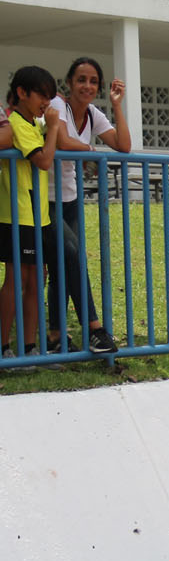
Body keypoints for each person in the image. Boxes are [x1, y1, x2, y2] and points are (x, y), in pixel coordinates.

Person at [48, 56, 128, 355]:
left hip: (70, 197)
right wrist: (91, 150)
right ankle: (95, 329)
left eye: (93, 81)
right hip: (44, 198)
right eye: (81, 79)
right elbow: (63, 142)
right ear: (69, 82)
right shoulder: (57, 104)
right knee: (72, 255)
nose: (87, 86)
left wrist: (117, 105)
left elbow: (123, 145)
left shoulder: (93, 114)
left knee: (62, 264)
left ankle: (56, 336)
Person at [1, 66, 60, 363]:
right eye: (41, 96)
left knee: (37, 278)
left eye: (49, 97)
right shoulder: (17, 124)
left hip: (37, 216)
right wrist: (55, 127)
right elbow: (44, 160)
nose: (46, 103)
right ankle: (4, 346)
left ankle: (30, 347)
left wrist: (50, 127)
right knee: (17, 279)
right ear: (22, 93)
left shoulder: (34, 123)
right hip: (18, 214)